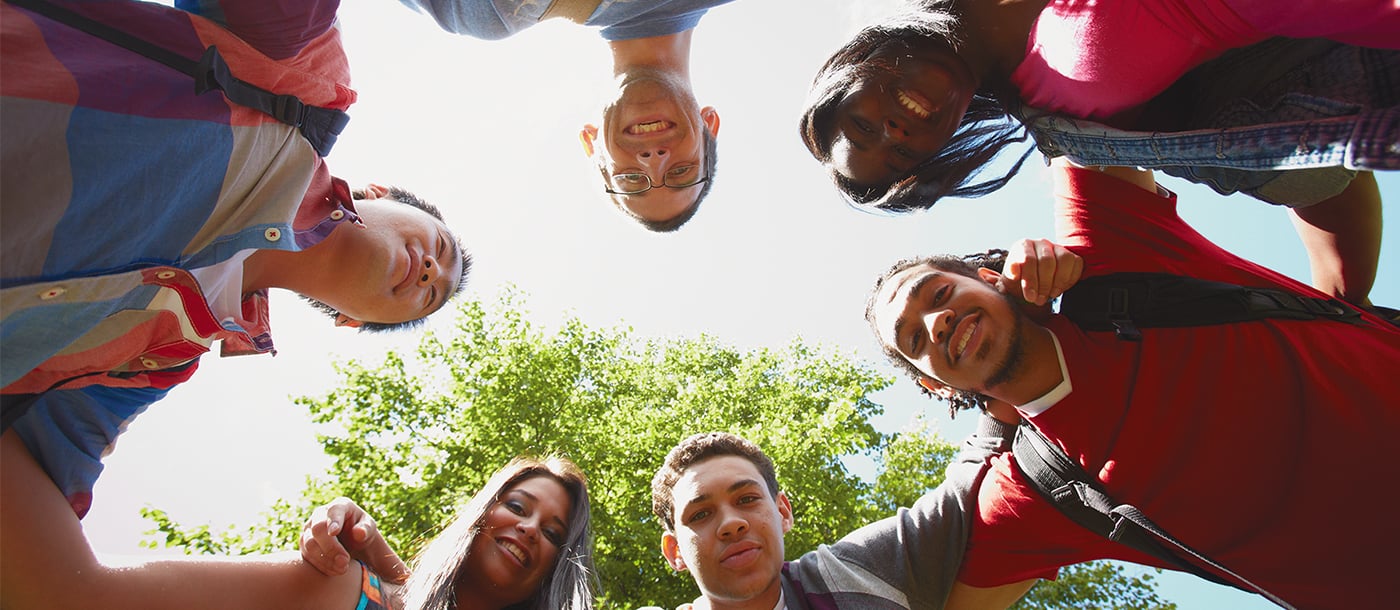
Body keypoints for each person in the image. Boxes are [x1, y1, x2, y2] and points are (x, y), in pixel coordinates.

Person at [1, 0, 470, 518]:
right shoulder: (298, 82)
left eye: (432, 294)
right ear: (380, 193)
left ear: (351, 322)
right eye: (441, 249)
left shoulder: (157, 365)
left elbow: (45, 481)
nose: (432, 270)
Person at [865, 159, 1400, 609]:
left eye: (936, 294)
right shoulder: (1032, 492)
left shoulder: (1110, 253)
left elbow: (1076, 102)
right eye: (914, 340)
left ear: (988, 277)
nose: (936, 323)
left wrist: (1339, 305)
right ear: (934, 385)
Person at [799, 0, 1399, 303]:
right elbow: (1318, 185)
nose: (894, 136)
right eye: (900, 160)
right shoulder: (1077, 127)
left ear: (860, 69)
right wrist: (1341, 307)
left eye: (862, 124)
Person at [0, 440, 596, 610]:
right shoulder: (343, 588)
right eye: (518, 507)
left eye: (550, 532)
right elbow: (73, 591)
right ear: (479, 516)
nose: (527, 529)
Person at [395, 0, 731, 231]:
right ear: (709, 125)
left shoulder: (489, 12)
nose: (652, 159)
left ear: (591, 141)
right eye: (681, 171)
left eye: (630, 179)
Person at [648, 426, 1031, 610]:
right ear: (674, 551)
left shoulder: (856, 572)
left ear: (783, 512)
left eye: (747, 498)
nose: (731, 523)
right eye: (700, 514)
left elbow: (980, 472)